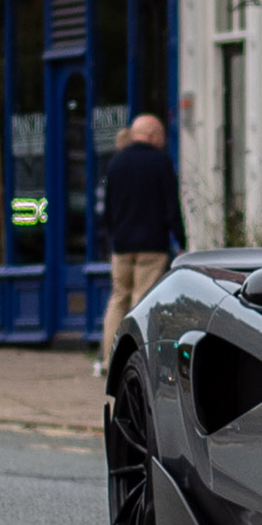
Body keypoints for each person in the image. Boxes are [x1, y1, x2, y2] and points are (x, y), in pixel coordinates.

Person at [97, 114, 185, 377]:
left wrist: (112, 239)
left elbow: (108, 210)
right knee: (142, 301)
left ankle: (109, 359)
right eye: (161, 134)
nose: (163, 140)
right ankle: (139, 359)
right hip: (151, 245)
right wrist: (181, 241)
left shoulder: (115, 164)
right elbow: (172, 207)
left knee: (118, 299)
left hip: (122, 245)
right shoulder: (161, 163)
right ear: (152, 134)